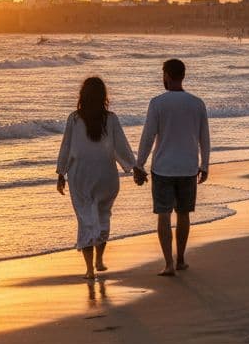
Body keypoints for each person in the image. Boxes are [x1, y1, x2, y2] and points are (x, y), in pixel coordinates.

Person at [56, 77, 139, 281]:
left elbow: (66, 147)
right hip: (106, 175)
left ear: (82, 96)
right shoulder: (110, 118)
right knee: (103, 215)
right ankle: (99, 260)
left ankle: (89, 270)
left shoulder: (74, 119)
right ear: (103, 96)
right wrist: (133, 167)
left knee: (85, 218)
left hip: (80, 175)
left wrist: (60, 173)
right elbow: (121, 146)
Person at [134, 58, 211, 276]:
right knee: (184, 214)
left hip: (163, 168)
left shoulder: (157, 103)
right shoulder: (197, 103)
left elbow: (148, 136)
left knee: (164, 215)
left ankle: (168, 264)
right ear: (183, 75)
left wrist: (139, 164)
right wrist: (204, 164)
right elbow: (204, 138)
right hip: (188, 167)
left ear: (167, 75)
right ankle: (181, 259)